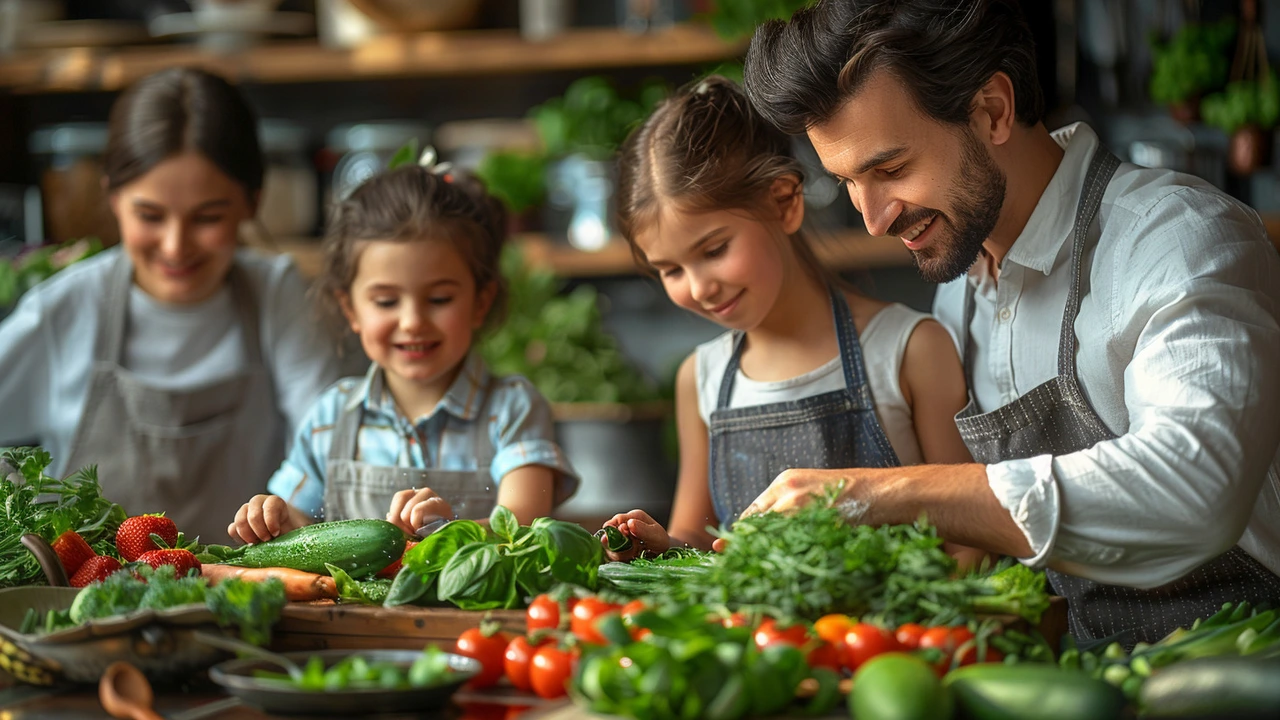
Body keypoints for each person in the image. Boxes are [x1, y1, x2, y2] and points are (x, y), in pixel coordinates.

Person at [741, 0, 1280, 645]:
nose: (874, 218)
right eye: (848, 181)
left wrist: (885, 493)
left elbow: (1196, 491)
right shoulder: (963, 295)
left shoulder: (1174, 240)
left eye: (889, 169)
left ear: (992, 110)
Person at [598, 76, 983, 567]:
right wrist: (661, 549)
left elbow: (969, 540)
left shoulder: (910, 349)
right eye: (669, 270)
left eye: (714, 250)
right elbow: (696, 548)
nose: (697, 287)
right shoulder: (700, 379)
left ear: (784, 202)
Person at [0, 68, 341, 541]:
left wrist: (302, 511)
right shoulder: (67, 306)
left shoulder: (274, 294)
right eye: (150, 215)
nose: (176, 246)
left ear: (252, 202)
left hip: (248, 606)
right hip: (83, 610)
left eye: (207, 217)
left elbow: (330, 442)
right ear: (113, 198)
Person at [227, 156, 578, 544]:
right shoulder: (332, 415)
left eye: (440, 298)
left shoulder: (513, 410)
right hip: (350, 608)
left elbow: (523, 526)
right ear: (351, 309)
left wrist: (452, 533)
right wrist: (273, 516)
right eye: (386, 301)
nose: (412, 321)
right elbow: (300, 522)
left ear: (481, 301)